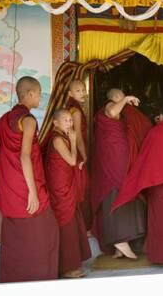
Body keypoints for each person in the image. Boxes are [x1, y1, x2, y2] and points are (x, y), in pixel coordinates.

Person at [0, 76, 59, 282]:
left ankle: (14, 278)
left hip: (10, 185)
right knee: (47, 230)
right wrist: (33, 193)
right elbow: (25, 156)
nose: (40, 97)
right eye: (38, 93)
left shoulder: (4, 119)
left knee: (15, 235)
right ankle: (40, 277)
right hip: (26, 184)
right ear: (29, 94)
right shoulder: (28, 120)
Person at [113, 104, 163, 266]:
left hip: (157, 183)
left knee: (158, 220)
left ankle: (157, 256)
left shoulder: (155, 132)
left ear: (162, 116)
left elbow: (145, 156)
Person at [91, 88, 146, 260]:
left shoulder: (122, 111)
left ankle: (120, 245)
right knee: (116, 191)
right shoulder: (109, 107)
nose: (122, 99)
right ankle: (119, 239)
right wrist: (127, 98)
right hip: (113, 160)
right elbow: (113, 111)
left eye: (123, 96)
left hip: (120, 157)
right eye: (119, 96)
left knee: (125, 191)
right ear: (112, 98)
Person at [44, 109, 91, 278]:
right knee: (66, 223)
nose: (70, 123)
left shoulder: (61, 136)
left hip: (66, 184)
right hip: (60, 188)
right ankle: (67, 268)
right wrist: (73, 141)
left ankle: (71, 263)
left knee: (72, 220)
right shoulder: (57, 139)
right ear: (55, 123)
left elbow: (71, 161)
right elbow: (71, 160)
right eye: (65, 120)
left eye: (71, 120)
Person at [65, 79, 92, 231]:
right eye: (78, 91)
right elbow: (79, 137)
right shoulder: (75, 111)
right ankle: (82, 227)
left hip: (71, 151)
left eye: (83, 90)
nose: (83, 93)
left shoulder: (71, 107)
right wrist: (85, 156)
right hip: (77, 153)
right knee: (82, 189)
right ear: (70, 93)